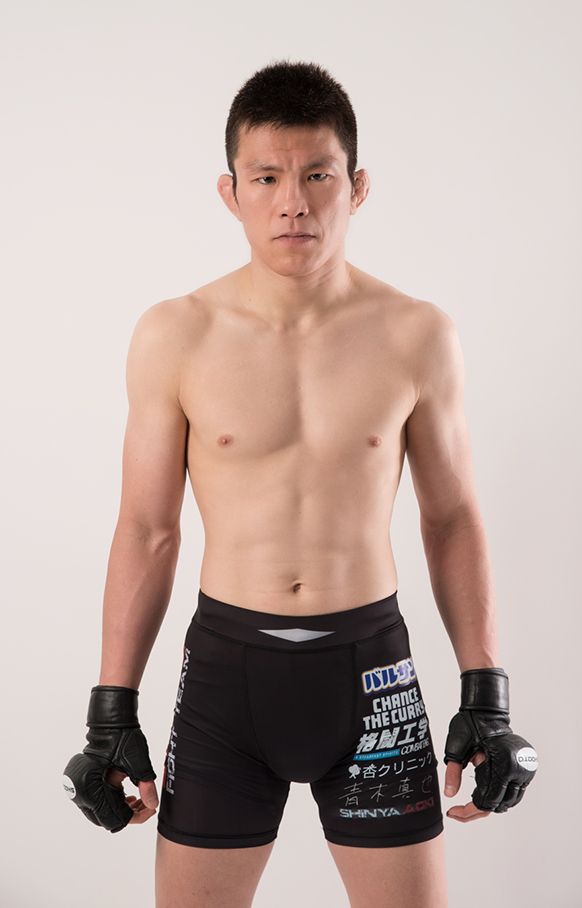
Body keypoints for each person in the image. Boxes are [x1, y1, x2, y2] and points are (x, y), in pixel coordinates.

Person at [63, 59, 538, 908]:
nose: (293, 202)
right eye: (267, 178)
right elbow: (147, 530)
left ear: (357, 187)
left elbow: (453, 517)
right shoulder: (176, 335)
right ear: (230, 192)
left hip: (373, 676)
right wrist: (111, 708)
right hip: (225, 680)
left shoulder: (417, 334)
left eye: (318, 175)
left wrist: (486, 694)